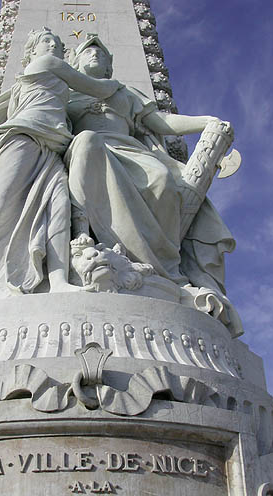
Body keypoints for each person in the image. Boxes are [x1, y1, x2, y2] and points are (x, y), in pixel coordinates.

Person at [0, 28, 120, 321]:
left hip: (53, 148)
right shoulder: (48, 64)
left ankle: (58, 281)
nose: (54, 47)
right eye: (47, 42)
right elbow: (101, 89)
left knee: (59, 206)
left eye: (58, 45)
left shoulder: (52, 73)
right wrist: (125, 98)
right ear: (32, 52)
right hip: (24, 138)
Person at [65, 35, 236, 299]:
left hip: (129, 150)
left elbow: (160, 122)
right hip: (86, 149)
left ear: (110, 66)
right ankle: (82, 243)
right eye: (88, 52)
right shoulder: (65, 91)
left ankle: (160, 267)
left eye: (100, 52)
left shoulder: (123, 93)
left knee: (161, 179)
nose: (94, 55)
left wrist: (206, 121)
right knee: (87, 142)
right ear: (75, 62)